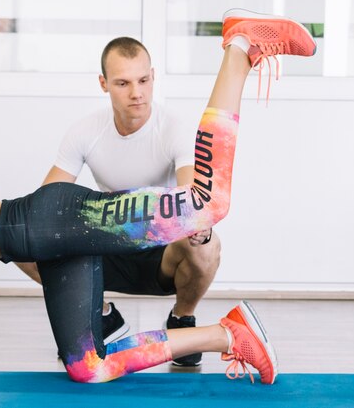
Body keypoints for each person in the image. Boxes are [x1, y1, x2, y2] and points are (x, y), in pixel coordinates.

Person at [0, 9, 315, 404]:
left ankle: (241, 46)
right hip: (49, 241)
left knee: (204, 205)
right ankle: (230, 335)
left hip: (55, 219)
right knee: (88, 367)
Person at [16, 37, 220, 367]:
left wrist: (198, 224)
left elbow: (191, 195)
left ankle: (182, 319)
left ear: (153, 77)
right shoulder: (85, 131)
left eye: (143, 80)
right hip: (106, 246)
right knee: (20, 241)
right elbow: (44, 204)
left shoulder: (174, 129)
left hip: (162, 253)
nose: (136, 93)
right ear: (104, 84)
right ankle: (102, 315)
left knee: (208, 245)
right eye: (123, 83)